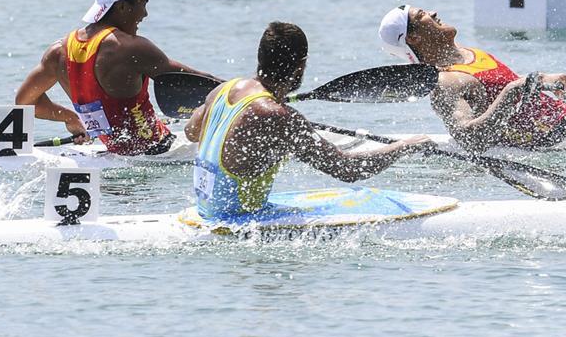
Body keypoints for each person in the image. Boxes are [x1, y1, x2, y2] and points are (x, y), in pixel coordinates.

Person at [184, 21, 433, 221]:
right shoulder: (277, 116)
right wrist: (404, 146)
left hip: (204, 212)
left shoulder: (224, 90)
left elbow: (191, 132)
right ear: (301, 66)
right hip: (236, 220)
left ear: (260, 58)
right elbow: (346, 169)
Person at [15, 0, 212, 155]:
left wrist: (71, 118)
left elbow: (25, 102)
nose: (145, 14)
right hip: (158, 153)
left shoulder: (58, 52)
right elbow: (205, 85)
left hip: (112, 154)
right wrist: (238, 90)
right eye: (143, 3)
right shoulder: (130, 48)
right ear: (122, 6)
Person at [378, 5, 566, 153]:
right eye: (422, 14)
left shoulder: (469, 53)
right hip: (556, 141)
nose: (434, 12)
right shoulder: (446, 82)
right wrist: (516, 88)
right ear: (413, 38)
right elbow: (471, 140)